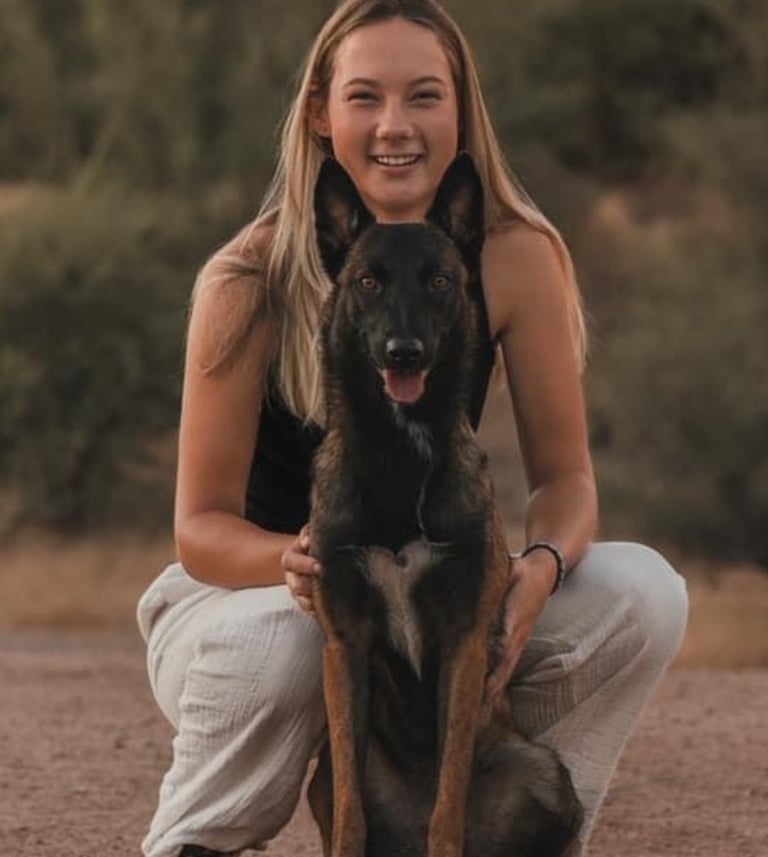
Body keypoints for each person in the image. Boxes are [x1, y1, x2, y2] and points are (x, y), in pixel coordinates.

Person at [136, 1, 688, 855]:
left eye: (424, 96)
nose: (396, 126)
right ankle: (195, 836)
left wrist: (537, 571)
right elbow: (197, 529)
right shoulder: (247, 277)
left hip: (430, 604)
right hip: (245, 598)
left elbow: (565, 481)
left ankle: (511, 830)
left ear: (461, 111)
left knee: (643, 590)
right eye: (366, 97)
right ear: (321, 113)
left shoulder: (513, 256)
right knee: (299, 629)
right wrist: (299, 562)